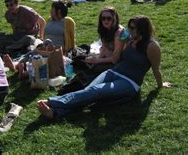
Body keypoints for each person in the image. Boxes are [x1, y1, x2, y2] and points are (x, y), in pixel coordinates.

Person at [37, 15, 171, 119]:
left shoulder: (152, 46)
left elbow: (155, 69)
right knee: (89, 92)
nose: (129, 30)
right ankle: (56, 113)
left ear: (142, 29)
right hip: (114, 72)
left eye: (132, 28)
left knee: (94, 91)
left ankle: (53, 103)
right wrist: (122, 43)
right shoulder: (130, 39)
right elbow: (118, 57)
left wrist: (160, 84)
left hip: (129, 82)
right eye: (129, 27)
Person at [4, 1, 76, 73]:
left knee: (38, 58)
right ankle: (15, 65)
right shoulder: (50, 20)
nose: (50, 11)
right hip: (44, 47)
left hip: (57, 51)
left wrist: (67, 52)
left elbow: (71, 38)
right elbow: (45, 35)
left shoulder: (67, 21)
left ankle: (22, 70)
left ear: (59, 11)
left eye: (52, 9)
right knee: (30, 54)